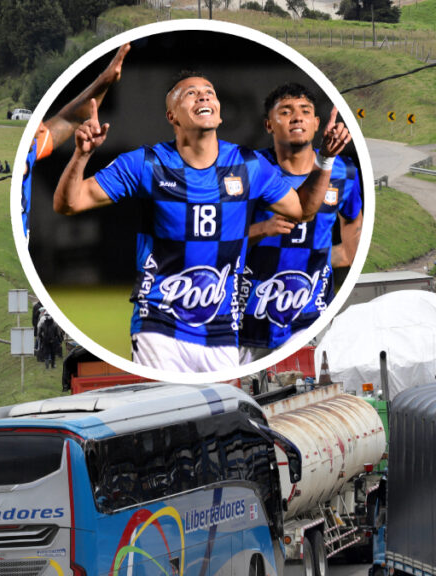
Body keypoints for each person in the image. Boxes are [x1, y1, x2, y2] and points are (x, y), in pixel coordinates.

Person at [53, 70, 349, 372]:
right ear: (172, 115)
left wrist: (324, 159)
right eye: (190, 94)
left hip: (221, 331)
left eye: (209, 92)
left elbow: (304, 210)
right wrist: (80, 155)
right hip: (159, 321)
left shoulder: (249, 166)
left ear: (219, 114)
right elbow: (69, 203)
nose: (204, 95)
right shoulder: (146, 163)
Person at [239, 83, 363, 363]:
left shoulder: (345, 172)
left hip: (310, 319)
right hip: (248, 320)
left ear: (317, 123)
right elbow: (211, 243)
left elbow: (352, 249)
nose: (297, 117)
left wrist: (313, 258)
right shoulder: (248, 169)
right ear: (269, 124)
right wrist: (261, 230)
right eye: (286, 111)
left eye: (305, 111)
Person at [21, 43, 131, 238]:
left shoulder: (30, 150)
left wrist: (105, 80)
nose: (42, 128)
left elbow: (69, 119)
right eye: (36, 124)